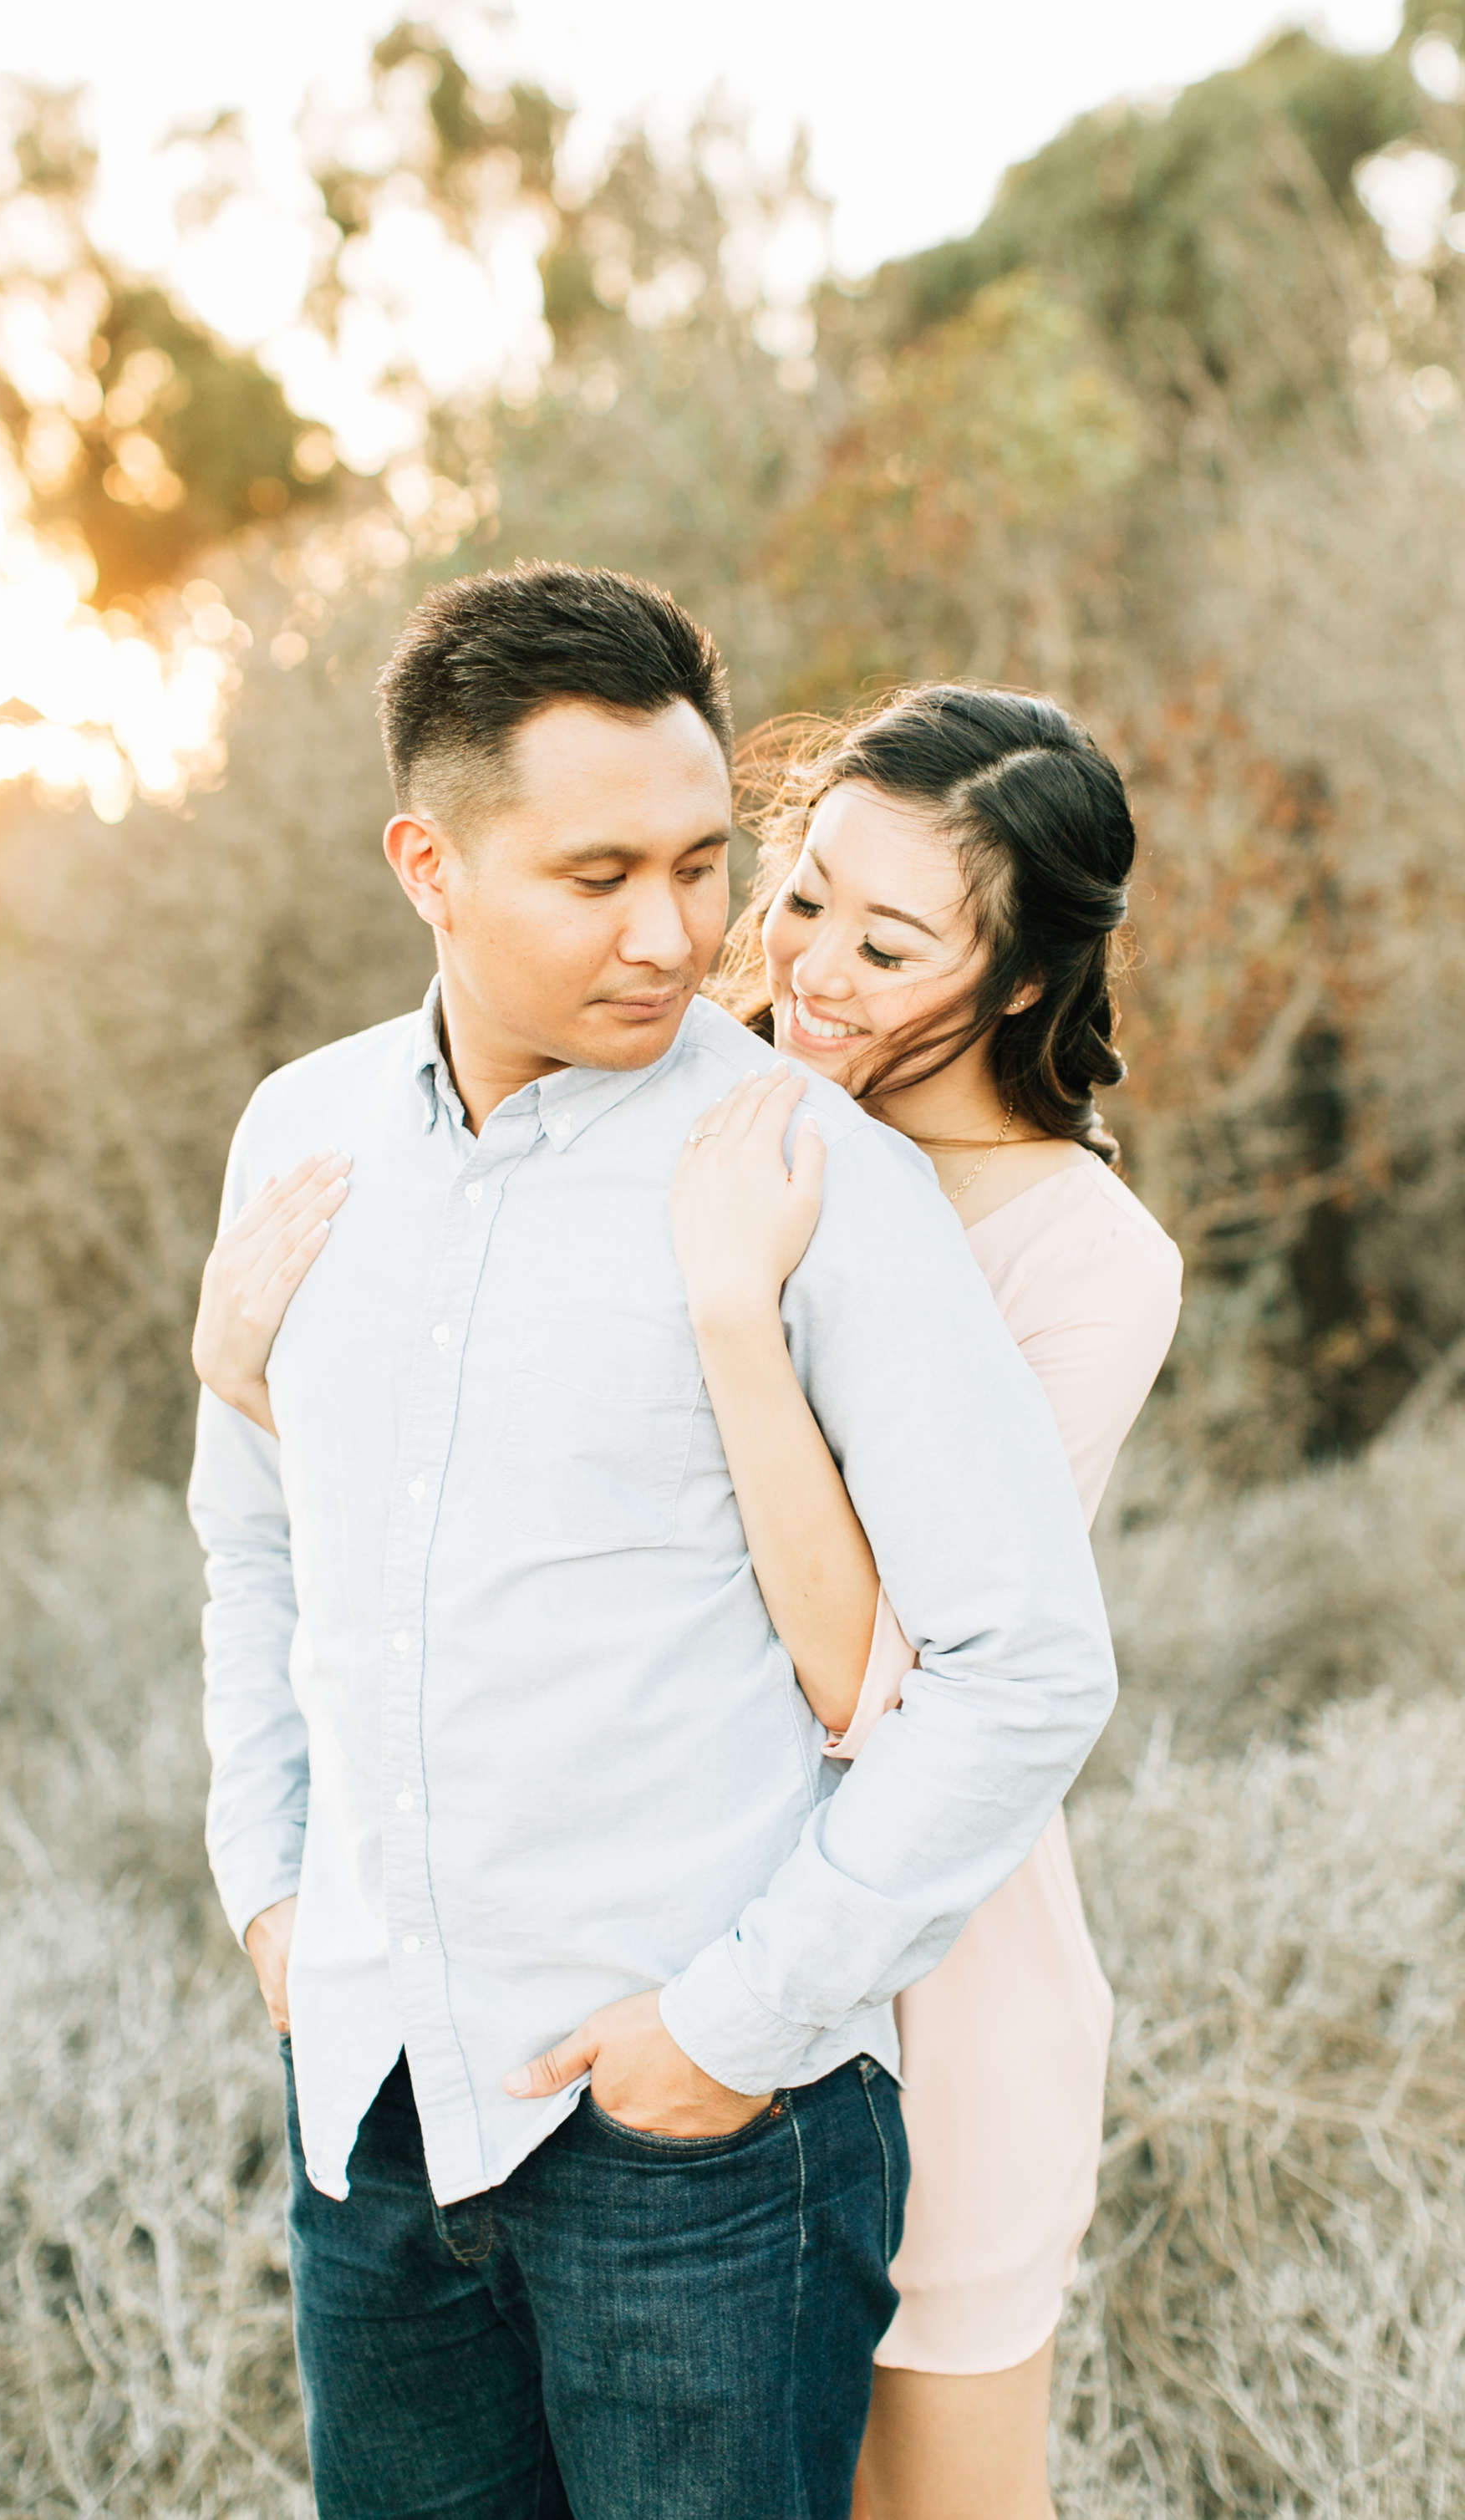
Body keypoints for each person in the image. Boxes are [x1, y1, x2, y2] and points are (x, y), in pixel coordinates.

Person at [187, 566, 1118, 2520]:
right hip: (374, 2102)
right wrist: (268, 1878)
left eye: (703, 864)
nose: (679, 932)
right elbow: (260, 1537)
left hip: (696, 2151)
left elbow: (1020, 1664)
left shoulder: (808, 1169)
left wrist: (731, 2027)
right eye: (599, 873)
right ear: (427, 860)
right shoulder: (298, 1136)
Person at [671, 684, 1182, 2520]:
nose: (808, 963)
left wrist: (738, 1317)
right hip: (659, 1945)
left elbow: (885, 1674)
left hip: (942, 1990)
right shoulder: (697, 1116)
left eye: (889, 942)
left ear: (1027, 980)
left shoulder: (1082, 1259)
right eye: (803, 895)